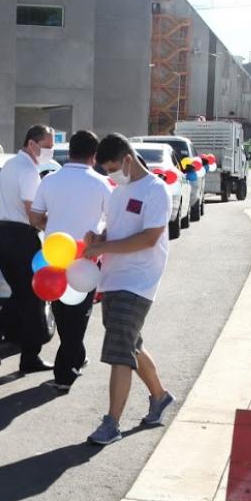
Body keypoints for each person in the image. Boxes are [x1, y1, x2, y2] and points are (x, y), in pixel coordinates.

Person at [82, 133, 175, 445]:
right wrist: (99, 239)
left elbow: (149, 238)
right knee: (130, 343)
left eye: (112, 168)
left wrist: (105, 245)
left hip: (139, 281)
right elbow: (116, 228)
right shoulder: (119, 190)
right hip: (113, 278)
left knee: (119, 351)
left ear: (128, 159)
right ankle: (160, 397)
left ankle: (112, 423)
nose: (110, 175)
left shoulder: (156, 190)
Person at [30, 129, 111, 392]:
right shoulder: (101, 183)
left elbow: (35, 216)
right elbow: (114, 220)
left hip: (53, 257)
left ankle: (72, 360)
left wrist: (51, 227)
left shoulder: (50, 180)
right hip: (86, 258)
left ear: (70, 151)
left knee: (63, 314)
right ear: (94, 155)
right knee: (78, 316)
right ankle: (67, 372)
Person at [0, 124, 55, 374]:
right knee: (34, 296)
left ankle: (6, 341)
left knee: (22, 295)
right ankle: (14, 347)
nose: (50, 151)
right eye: (47, 146)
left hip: (4, 235)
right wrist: (55, 226)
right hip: (22, 238)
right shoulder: (28, 171)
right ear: (32, 143)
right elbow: (32, 214)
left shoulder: (11, 165)